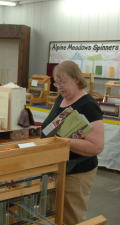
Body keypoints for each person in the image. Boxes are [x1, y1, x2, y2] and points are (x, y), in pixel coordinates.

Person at [41, 61, 104, 225]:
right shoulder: (62, 98)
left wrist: (63, 141)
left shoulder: (88, 105)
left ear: (76, 79)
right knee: (56, 215)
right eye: (57, 82)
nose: (59, 86)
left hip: (77, 172)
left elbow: (96, 146)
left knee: (72, 218)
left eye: (64, 82)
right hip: (58, 168)